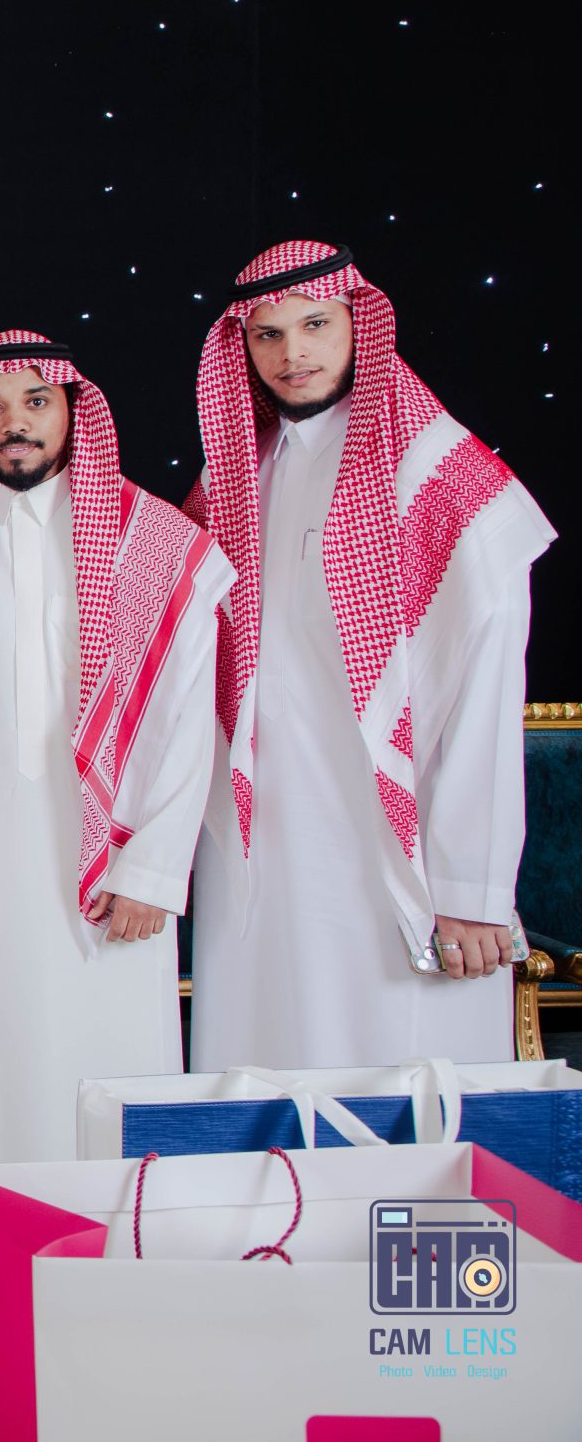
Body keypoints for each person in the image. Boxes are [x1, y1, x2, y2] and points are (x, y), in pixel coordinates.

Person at [0, 332, 231, 1366]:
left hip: (110, 881)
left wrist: (150, 867)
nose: (13, 424)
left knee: (105, 1082)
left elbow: (186, 719)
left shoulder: (156, 540)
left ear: (73, 410)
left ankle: (119, 1317)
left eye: (34, 401)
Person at [188, 243, 554, 1070]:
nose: (293, 353)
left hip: (396, 856)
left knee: (398, 1086)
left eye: (316, 324)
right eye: (268, 334)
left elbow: (484, 695)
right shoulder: (237, 476)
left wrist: (470, 886)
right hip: (261, 856)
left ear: (360, 323)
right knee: (264, 1073)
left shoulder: (441, 477)